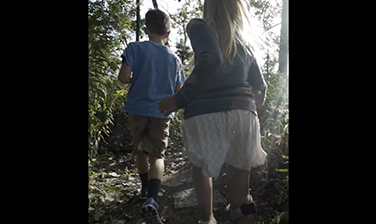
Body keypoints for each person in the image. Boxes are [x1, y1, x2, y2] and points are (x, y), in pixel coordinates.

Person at [159, 0, 267, 223]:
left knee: (202, 167)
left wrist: (180, 98)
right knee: (241, 199)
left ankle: (207, 219)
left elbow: (211, 59)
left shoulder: (199, 25)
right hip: (243, 115)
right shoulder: (244, 39)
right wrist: (248, 109)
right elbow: (260, 87)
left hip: (204, 113)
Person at [118, 9, 185, 224]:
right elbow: (177, 92)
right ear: (168, 33)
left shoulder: (134, 48)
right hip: (161, 111)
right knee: (158, 155)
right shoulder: (174, 59)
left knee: (141, 150)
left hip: (137, 108)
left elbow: (123, 78)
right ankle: (153, 200)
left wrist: (137, 80)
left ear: (146, 29)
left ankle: (144, 188)